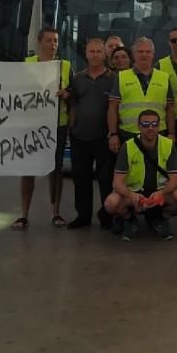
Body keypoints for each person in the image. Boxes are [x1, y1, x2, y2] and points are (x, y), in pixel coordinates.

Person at [12, 26, 72, 230]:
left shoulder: (65, 66)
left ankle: (56, 213)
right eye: (49, 40)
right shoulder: (26, 64)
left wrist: (67, 94)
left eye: (56, 41)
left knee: (56, 169)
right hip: (30, 125)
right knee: (27, 169)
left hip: (57, 125)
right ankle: (24, 214)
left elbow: (73, 93)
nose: (53, 45)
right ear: (39, 42)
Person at [104, 109, 177, 241]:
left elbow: (174, 180)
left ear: (159, 126)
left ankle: (161, 220)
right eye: (145, 124)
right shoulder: (127, 147)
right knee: (111, 203)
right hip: (135, 192)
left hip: (159, 192)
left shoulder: (168, 145)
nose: (150, 128)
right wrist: (131, 195)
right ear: (138, 126)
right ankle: (130, 220)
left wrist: (161, 193)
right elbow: (117, 183)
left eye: (154, 124)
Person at [66, 38, 115, 229]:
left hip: (103, 138)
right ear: (86, 54)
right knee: (81, 179)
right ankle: (83, 216)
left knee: (105, 180)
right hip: (79, 137)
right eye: (91, 51)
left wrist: (113, 133)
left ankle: (107, 216)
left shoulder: (113, 78)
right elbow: (72, 105)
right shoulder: (77, 78)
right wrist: (72, 128)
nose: (95, 55)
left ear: (104, 54)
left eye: (98, 51)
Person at [107, 37, 176, 157]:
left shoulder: (164, 77)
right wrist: (113, 134)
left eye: (148, 51)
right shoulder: (122, 77)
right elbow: (112, 108)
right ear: (134, 54)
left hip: (158, 133)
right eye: (140, 51)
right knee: (130, 172)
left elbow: (170, 109)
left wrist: (171, 133)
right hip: (129, 134)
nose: (144, 54)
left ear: (153, 54)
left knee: (157, 172)